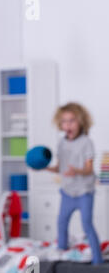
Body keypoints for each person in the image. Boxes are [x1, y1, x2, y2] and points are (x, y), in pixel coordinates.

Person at [44, 102, 102, 264]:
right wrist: (47, 168)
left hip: (84, 192)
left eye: (72, 120)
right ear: (60, 124)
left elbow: (89, 169)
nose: (67, 124)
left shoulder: (86, 142)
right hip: (67, 192)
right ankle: (61, 252)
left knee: (87, 224)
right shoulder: (61, 143)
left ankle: (98, 261)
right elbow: (60, 167)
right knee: (61, 222)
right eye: (64, 121)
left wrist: (77, 171)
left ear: (81, 122)